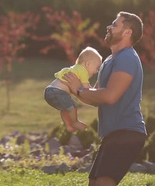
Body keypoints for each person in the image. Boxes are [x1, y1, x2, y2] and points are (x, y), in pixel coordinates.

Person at [62, 11, 146, 186]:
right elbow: (95, 97)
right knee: (94, 182)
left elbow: (109, 96)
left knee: (102, 182)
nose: (109, 26)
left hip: (127, 132)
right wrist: (69, 88)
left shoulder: (127, 58)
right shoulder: (109, 60)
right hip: (114, 133)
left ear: (127, 32)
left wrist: (77, 89)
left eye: (115, 24)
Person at [44, 47, 102, 132]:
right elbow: (86, 90)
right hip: (57, 92)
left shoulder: (76, 68)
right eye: (97, 68)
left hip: (49, 91)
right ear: (88, 64)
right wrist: (92, 90)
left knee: (65, 109)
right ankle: (75, 122)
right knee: (73, 106)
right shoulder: (83, 72)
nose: (97, 72)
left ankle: (68, 125)